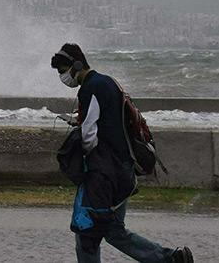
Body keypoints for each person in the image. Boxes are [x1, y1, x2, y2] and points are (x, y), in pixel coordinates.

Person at [51, 43, 193, 263]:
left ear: (77, 65)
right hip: (123, 170)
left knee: (86, 234)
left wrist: (85, 156)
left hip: (104, 175)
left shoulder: (90, 88)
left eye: (63, 70)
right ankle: (172, 259)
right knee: (114, 230)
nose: (62, 76)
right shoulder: (109, 82)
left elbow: (89, 133)